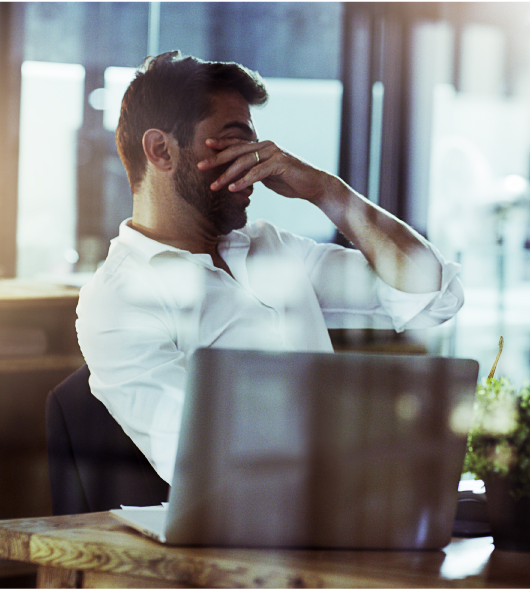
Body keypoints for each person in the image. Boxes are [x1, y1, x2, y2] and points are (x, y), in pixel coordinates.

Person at [76, 51, 464, 484]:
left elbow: (433, 295)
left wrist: (326, 191)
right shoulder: (116, 300)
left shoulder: (273, 248)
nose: (259, 158)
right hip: (246, 538)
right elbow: (200, 459)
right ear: (161, 150)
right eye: (234, 139)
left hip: (350, 503)